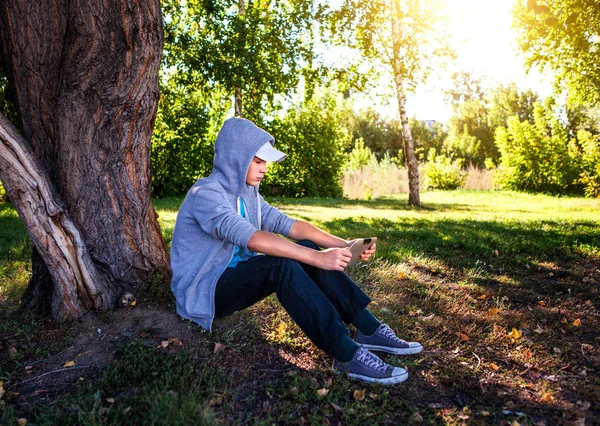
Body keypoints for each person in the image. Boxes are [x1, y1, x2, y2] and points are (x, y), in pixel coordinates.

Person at [170, 118, 422, 385]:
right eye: (258, 161)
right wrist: (317, 259)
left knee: (306, 247)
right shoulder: (206, 194)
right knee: (283, 264)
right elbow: (252, 239)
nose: (265, 169)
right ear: (236, 158)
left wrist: (341, 244)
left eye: (265, 162)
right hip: (207, 289)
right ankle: (345, 353)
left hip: (237, 276)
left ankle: (368, 328)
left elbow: (289, 226)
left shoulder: (249, 195)